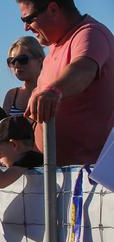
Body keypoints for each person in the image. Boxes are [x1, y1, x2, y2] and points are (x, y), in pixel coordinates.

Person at [17, 0, 114, 165]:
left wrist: (54, 91)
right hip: (58, 176)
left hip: (87, 179)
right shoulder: (55, 46)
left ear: (53, 9)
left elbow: (83, 69)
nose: (26, 28)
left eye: (28, 19)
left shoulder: (90, 34)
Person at [2, 36, 45, 115]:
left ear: (40, 60)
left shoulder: (51, 92)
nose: (16, 64)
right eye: (12, 61)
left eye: (22, 59)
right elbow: (6, 126)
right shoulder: (11, 95)